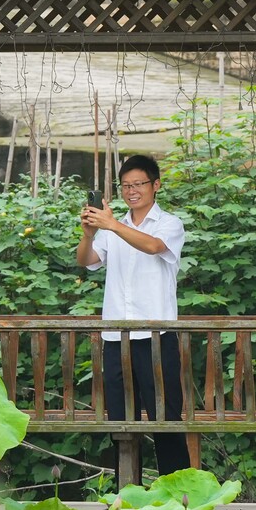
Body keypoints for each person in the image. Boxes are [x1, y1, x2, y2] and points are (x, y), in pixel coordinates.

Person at [79, 154, 190, 479]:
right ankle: (127, 496)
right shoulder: (111, 226)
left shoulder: (169, 223)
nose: (132, 191)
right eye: (126, 185)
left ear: (155, 185)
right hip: (116, 337)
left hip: (158, 338)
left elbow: (155, 247)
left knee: (166, 420)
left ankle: (179, 494)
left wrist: (113, 225)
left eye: (139, 184)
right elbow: (86, 261)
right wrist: (88, 234)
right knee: (121, 423)